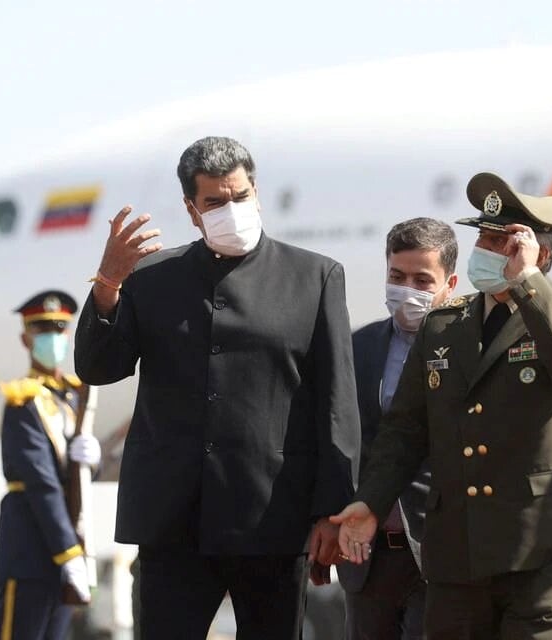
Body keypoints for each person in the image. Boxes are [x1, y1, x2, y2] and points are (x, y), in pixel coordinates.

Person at [74, 136, 360, 640]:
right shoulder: (151, 278)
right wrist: (107, 285)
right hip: (172, 522)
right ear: (191, 209)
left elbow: (336, 403)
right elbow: (98, 367)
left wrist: (331, 512)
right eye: (215, 202)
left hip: (272, 519)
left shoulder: (313, 277)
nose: (232, 209)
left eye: (241, 196)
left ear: (256, 192)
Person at [332, 172, 552, 639]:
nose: (482, 248)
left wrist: (527, 281)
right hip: (458, 555)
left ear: (537, 253)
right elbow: (405, 429)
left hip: (542, 553)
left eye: (499, 241)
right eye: (481, 237)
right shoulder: (444, 325)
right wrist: (371, 500)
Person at [331, 218, 458, 640]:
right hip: (368, 556)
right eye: (397, 276)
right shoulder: (358, 348)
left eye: (423, 280)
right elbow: (337, 439)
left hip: (441, 552)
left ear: (450, 283)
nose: (407, 290)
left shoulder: (470, 349)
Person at [0, 290, 103, 640]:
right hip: (31, 551)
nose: (53, 338)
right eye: (42, 331)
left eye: (59, 330)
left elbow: (73, 478)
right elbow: (41, 481)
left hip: (65, 545)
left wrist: (93, 462)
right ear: (26, 338)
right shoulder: (22, 402)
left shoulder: (72, 397)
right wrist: (68, 552)